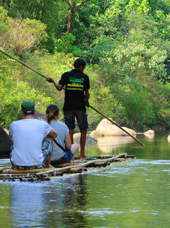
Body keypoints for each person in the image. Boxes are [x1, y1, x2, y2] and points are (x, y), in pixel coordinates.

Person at [47, 58, 90, 159]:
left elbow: (59, 88)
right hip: (80, 107)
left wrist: (52, 80)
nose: (83, 69)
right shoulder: (85, 77)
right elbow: (86, 94)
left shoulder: (66, 75)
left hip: (68, 107)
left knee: (70, 130)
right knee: (83, 130)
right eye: (83, 67)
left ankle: (71, 154)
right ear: (81, 67)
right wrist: (86, 102)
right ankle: (82, 155)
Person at [10, 100, 58, 170]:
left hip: (16, 166)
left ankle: (17, 162)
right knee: (49, 138)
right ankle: (47, 165)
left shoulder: (14, 124)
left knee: (13, 145)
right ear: (34, 112)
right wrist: (43, 135)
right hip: (37, 165)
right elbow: (55, 134)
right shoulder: (42, 124)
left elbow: (11, 136)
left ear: (21, 112)